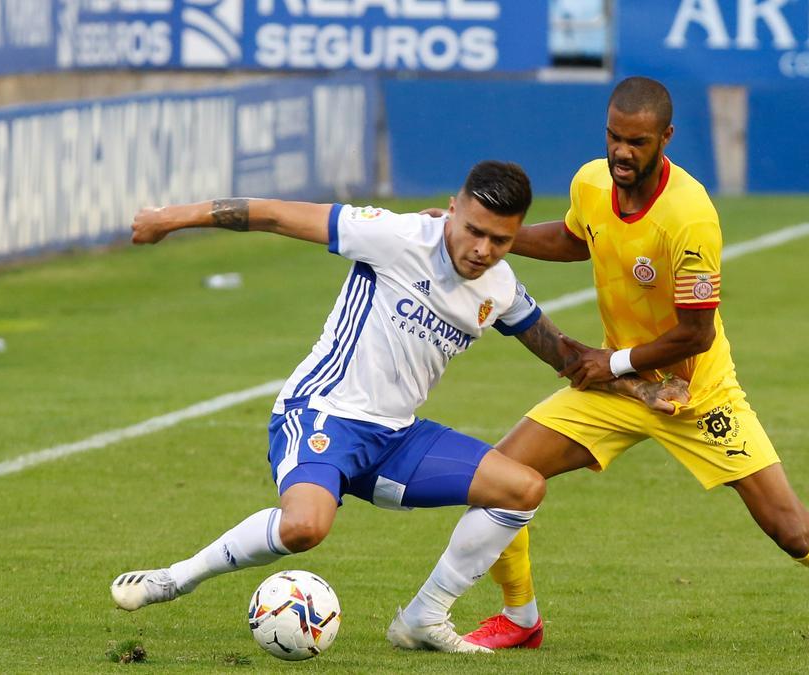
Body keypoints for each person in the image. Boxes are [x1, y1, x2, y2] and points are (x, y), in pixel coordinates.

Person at [434, 78, 809, 659]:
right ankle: (520, 617)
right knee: (498, 477)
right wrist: (496, 237)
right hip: (618, 390)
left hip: (697, 396)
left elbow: (696, 333)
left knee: (791, 529)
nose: (621, 152)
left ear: (666, 138)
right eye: (613, 137)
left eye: (637, 141)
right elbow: (577, 239)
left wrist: (613, 361)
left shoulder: (690, 214)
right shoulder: (590, 181)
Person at [108, 160, 687, 654]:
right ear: (452, 210)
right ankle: (175, 579)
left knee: (522, 488)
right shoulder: (393, 235)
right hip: (324, 414)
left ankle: (423, 619)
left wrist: (644, 389)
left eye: (501, 240)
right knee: (307, 527)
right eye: (474, 231)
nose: (483, 250)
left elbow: (564, 355)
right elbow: (277, 214)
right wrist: (170, 218)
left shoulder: (500, 287)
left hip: (398, 440)